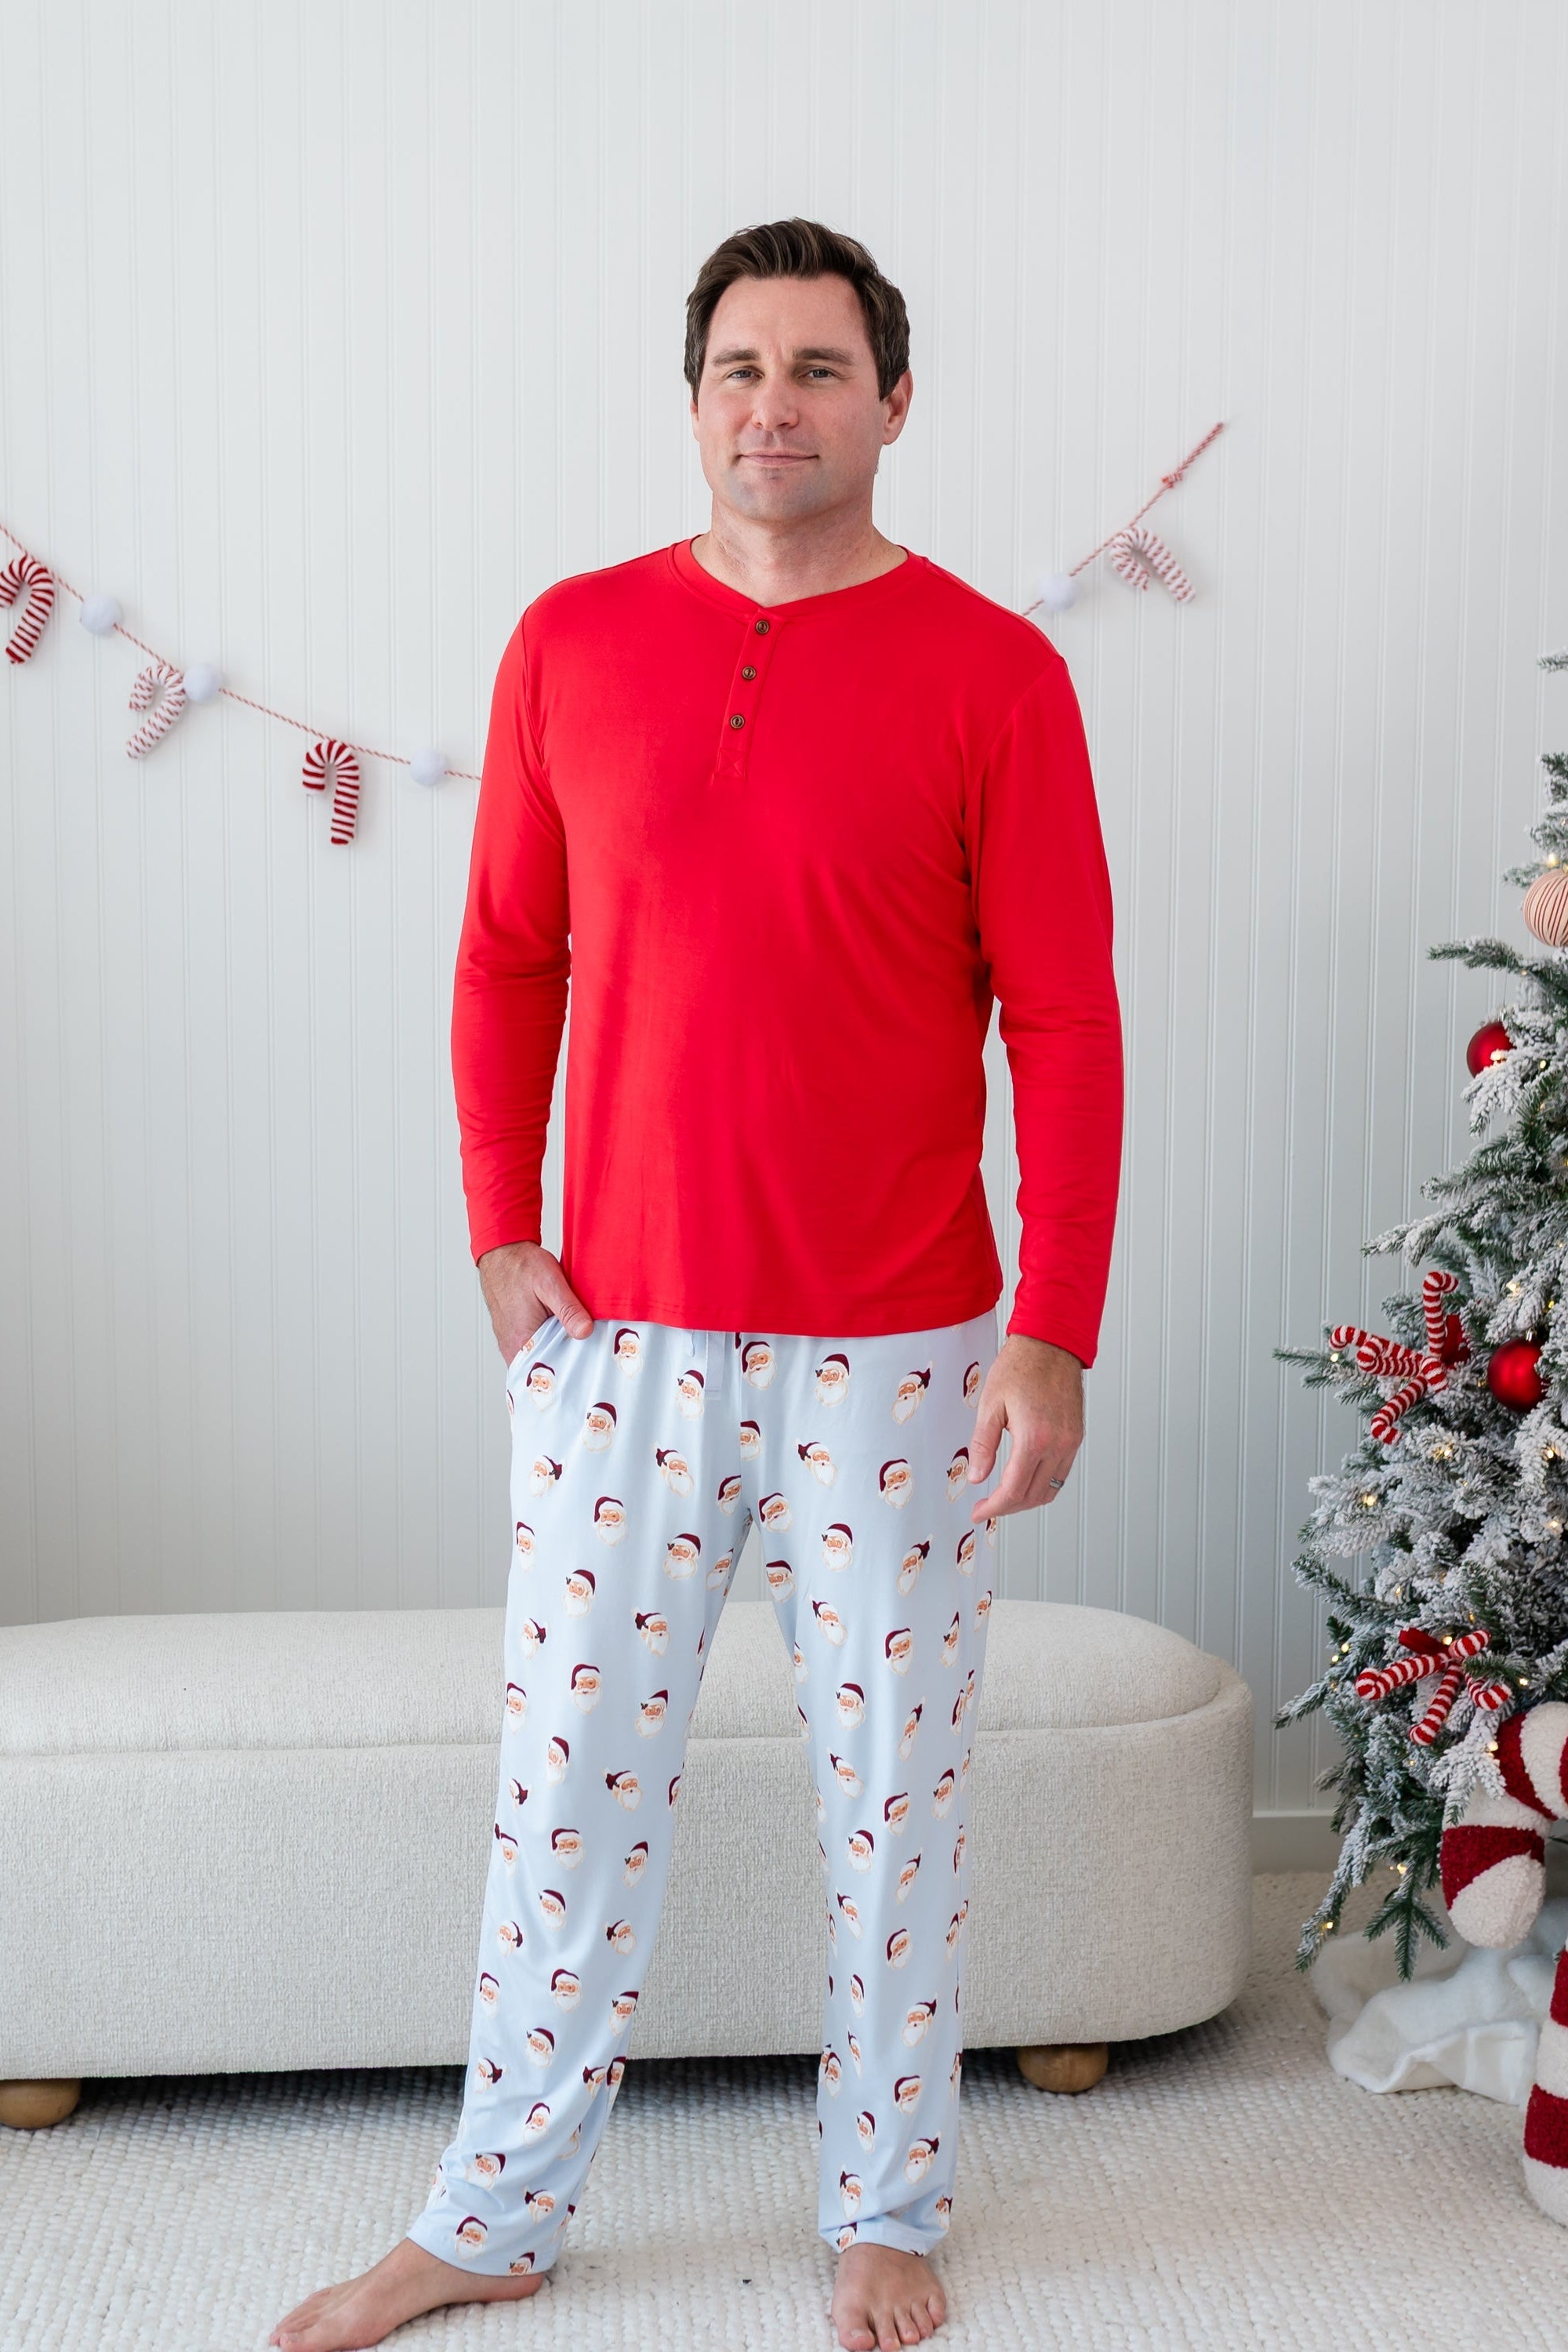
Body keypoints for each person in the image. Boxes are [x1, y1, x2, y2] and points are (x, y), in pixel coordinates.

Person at [269, 214, 1123, 2352]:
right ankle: (492, 2211)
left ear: (894, 403)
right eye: (743, 369)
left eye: (822, 370)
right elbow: (507, 956)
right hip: (616, 1345)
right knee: (564, 1793)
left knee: (898, 1802)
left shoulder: (999, 673)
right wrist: (495, 1222)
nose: (779, 408)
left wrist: (1058, 1326)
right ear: (694, 399)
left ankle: (886, 2204)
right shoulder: (568, 645)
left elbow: (1070, 1020)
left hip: (907, 1350)